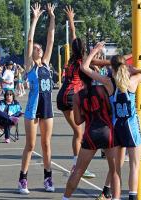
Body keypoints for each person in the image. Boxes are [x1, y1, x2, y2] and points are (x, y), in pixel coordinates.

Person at [81, 42, 141, 200]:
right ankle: (131, 196)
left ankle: (114, 196)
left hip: (116, 127)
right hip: (131, 127)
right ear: (126, 66)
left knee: (116, 168)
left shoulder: (109, 83)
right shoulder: (134, 80)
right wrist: (138, 70)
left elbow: (84, 68)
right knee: (134, 166)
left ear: (112, 68)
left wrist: (94, 51)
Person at [62, 67, 120, 200]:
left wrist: (87, 113)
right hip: (107, 131)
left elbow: (77, 121)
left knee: (78, 171)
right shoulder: (103, 89)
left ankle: (65, 198)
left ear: (81, 79)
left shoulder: (77, 96)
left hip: (90, 134)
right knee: (114, 170)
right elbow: (112, 109)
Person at [18, 3, 55, 194]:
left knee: (46, 144)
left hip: (47, 108)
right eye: (36, 49)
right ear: (32, 52)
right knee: (31, 145)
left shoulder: (47, 64)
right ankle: (22, 179)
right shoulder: (29, 66)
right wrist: (34, 19)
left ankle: (48, 178)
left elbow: (50, 39)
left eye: (40, 49)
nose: (39, 49)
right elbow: (31, 39)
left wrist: (52, 17)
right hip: (32, 109)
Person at [56, 5, 95, 178]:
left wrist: (71, 19)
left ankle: (76, 164)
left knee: (79, 131)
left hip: (63, 97)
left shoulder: (71, 59)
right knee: (80, 132)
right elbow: (74, 38)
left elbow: (73, 35)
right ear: (84, 49)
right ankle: (77, 167)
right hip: (70, 98)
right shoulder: (82, 61)